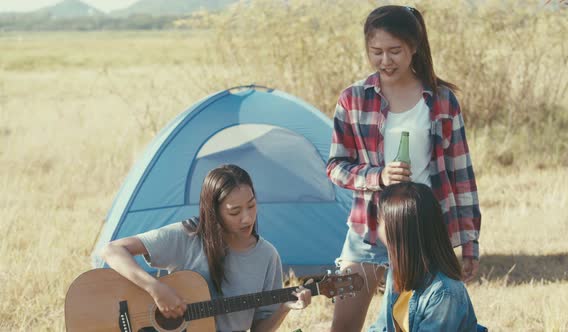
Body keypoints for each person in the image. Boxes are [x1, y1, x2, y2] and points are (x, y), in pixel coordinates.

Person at [326, 5, 481, 331]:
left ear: (414, 46)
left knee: (411, 323)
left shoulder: (441, 100)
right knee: (343, 326)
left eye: (395, 51)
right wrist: (376, 177)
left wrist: (470, 242)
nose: (385, 61)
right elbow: (336, 167)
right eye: (376, 52)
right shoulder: (353, 98)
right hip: (368, 229)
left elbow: (462, 175)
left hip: (425, 231)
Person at [101, 164, 311, 332]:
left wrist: (284, 307)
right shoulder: (187, 236)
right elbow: (112, 250)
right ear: (214, 212)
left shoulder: (267, 256)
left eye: (252, 205)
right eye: (234, 211)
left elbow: (259, 329)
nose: (247, 218)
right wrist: (156, 289)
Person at [375, 182, 478, 331]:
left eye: (380, 222)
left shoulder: (444, 293)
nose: (377, 230)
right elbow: (382, 327)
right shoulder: (397, 272)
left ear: (400, 231)